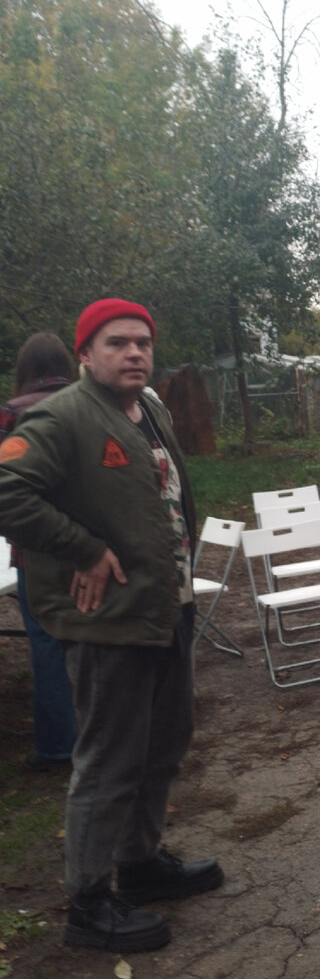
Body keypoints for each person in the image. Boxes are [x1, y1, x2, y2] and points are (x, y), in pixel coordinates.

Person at [0, 299, 221, 954]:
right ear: (85, 355)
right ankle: (90, 902)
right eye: (117, 343)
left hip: (164, 607)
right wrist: (85, 549)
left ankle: (140, 863)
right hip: (108, 623)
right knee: (109, 761)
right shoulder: (60, 416)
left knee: (164, 743)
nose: (134, 353)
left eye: (143, 342)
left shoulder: (148, 408)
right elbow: (8, 492)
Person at [0, 333, 79, 770]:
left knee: (47, 643)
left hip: (36, 553)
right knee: (92, 639)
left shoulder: (12, 413)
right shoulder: (86, 406)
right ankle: (99, 734)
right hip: (93, 550)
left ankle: (57, 746)